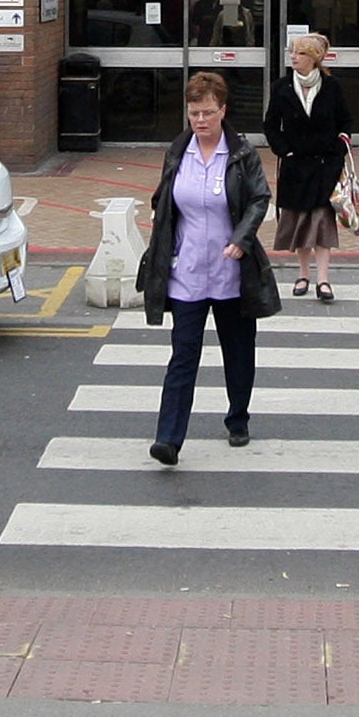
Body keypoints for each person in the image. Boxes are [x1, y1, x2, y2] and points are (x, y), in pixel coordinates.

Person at [134, 71, 276, 465]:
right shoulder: (178, 153)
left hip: (232, 273)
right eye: (194, 112)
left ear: (223, 111)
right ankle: (168, 438)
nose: (200, 120)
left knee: (238, 351)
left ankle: (238, 418)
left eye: (208, 112)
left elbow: (259, 199)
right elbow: (165, 203)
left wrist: (242, 238)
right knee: (183, 355)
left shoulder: (242, 153)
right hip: (188, 271)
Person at [262, 31, 352, 303]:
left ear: (313, 58)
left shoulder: (331, 86)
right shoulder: (281, 87)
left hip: (325, 164)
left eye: (300, 53)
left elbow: (345, 121)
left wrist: (338, 147)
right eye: (292, 53)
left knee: (323, 220)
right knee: (300, 221)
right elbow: (270, 124)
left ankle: (323, 280)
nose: (294, 58)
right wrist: (283, 150)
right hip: (294, 164)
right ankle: (303, 275)